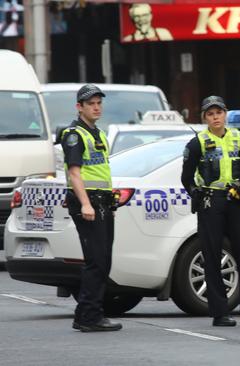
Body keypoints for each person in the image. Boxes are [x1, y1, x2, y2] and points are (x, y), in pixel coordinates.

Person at [180, 95, 240, 327]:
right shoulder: (197, 143)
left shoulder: (238, 139)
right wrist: (196, 194)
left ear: (225, 114)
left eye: (219, 113)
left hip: (233, 201)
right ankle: (220, 313)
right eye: (210, 114)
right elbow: (186, 178)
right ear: (205, 117)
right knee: (212, 256)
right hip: (211, 202)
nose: (215, 117)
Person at [61, 84, 122, 332]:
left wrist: (109, 201)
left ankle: (86, 313)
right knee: (96, 261)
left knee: (103, 260)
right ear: (79, 107)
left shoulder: (98, 133)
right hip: (88, 203)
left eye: (99, 103)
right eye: (91, 104)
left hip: (102, 202)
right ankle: (89, 317)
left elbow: (100, 172)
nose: (96, 107)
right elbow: (74, 173)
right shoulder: (74, 134)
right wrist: (86, 204)